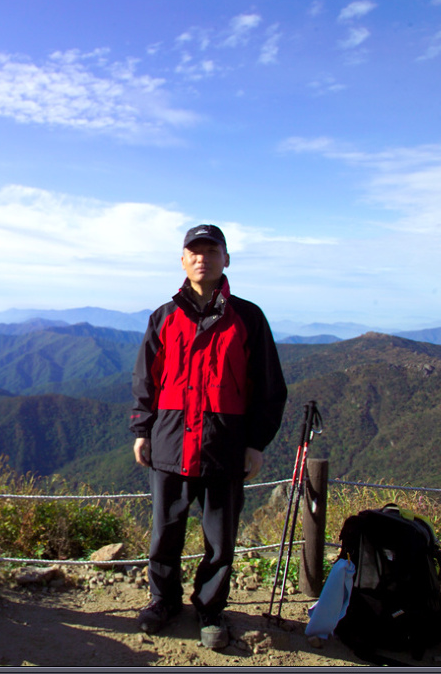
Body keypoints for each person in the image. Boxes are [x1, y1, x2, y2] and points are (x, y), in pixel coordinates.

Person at [130, 224, 287, 649]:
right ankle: (162, 602)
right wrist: (141, 429)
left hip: (225, 445)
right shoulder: (164, 316)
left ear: (226, 259)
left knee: (220, 539)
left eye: (211, 250)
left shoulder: (249, 318)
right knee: (164, 532)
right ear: (182, 260)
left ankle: (210, 609)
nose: (202, 257)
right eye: (194, 251)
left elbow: (269, 386)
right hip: (170, 442)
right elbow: (147, 379)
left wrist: (256, 442)